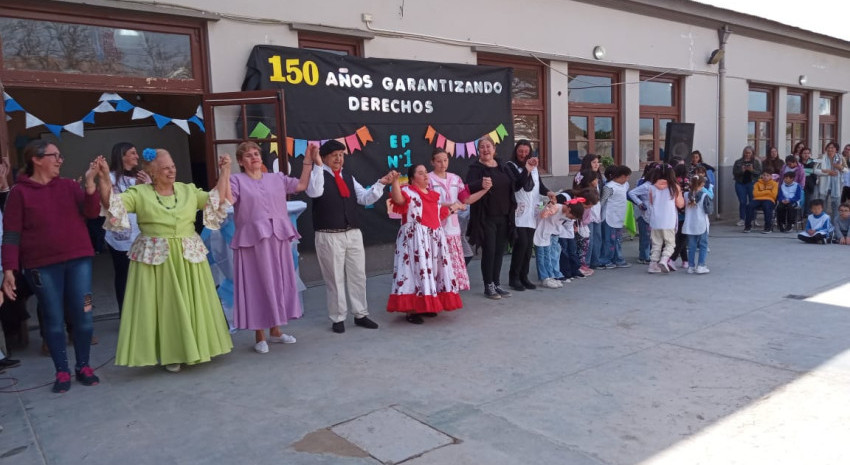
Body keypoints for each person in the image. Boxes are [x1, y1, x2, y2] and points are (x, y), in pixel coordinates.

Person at [99, 148, 233, 372]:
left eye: (173, 167)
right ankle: (171, 353)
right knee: (165, 306)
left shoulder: (187, 190)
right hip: (156, 258)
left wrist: (225, 171)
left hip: (187, 256)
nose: (171, 171)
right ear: (151, 171)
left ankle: (197, 347)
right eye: (165, 168)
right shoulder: (139, 193)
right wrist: (104, 178)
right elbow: (112, 205)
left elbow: (215, 200)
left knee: (193, 302)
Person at [2, 141, 102, 392]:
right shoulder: (19, 193)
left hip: (79, 261)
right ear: (36, 159)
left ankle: (83, 366)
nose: (60, 160)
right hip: (42, 267)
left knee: (85, 317)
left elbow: (92, 213)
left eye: (60, 155)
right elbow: (11, 234)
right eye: (54, 156)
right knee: (54, 321)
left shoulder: (69, 186)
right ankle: (62, 372)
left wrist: (90, 184)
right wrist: (9, 270)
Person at [228, 141, 322, 354]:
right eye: (248, 155)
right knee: (257, 284)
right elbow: (226, 199)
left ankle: (276, 331)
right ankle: (259, 334)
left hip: (277, 239)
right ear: (241, 162)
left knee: (277, 281)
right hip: (252, 242)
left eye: (256, 154)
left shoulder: (276, 178)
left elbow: (300, 186)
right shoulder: (236, 180)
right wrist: (224, 172)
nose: (254, 157)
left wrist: (308, 159)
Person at [306, 140, 392, 333]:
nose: (339, 158)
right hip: (329, 235)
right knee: (334, 278)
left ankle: (361, 314)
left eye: (341, 155)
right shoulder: (317, 176)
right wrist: (318, 166)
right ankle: (338, 317)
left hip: (352, 233)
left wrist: (381, 183)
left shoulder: (348, 177)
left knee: (358, 276)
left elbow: (364, 198)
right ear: (325, 157)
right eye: (334, 155)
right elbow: (315, 191)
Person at [387, 164, 461, 323]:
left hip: (433, 240)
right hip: (415, 241)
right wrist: (394, 182)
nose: (426, 176)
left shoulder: (434, 195)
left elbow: (438, 215)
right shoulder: (408, 191)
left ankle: (425, 305)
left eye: (426, 173)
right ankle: (412, 310)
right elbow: (398, 199)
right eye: (421, 173)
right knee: (413, 272)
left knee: (431, 272)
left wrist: (454, 207)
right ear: (413, 179)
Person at [466, 135, 516, 300]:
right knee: (489, 251)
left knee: (499, 252)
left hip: (504, 216)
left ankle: (496, 282)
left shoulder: (502, 166)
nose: (486, 150)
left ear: (494, 149)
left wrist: (529, 170)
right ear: (478, 150)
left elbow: (515, 184)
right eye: (482, 147)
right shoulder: (475, 168)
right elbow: (467, 189)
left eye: (488, 146)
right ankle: (488, 285)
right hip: (485, 217)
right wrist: (480, 183)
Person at [428, 149, 486, 292]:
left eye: (445, 160)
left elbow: (466, 199)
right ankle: (437, 291)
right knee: (438, 262)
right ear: (432, 162)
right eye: (439, 161)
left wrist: (484, 190)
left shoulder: (455, 179)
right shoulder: (428, 179)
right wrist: (451, 205)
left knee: (452, 262)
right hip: (436, 228)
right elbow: (427, 203)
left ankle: (450, 291)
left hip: (453, 229)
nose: (443, 164)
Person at [105, 142, 151, 314]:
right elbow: (113, 203)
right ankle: (125, 314)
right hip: (121, 235)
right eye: (132, 153)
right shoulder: (109, 178)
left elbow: (152, 202)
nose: (137, 156)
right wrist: (137, 187)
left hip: (142, 232)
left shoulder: (141, 176)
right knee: (124, 274)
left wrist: (148, 186)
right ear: (122, 155)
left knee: (144, 274)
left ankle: (145, 312)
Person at [505, 140, 555, 291]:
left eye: (526, 151)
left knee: (528, 248)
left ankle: (523, 276)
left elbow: (539, 185)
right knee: (521, 245)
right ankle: (514, 278)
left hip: (533, 211)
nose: (523, 154)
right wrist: (526, 169)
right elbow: (518, 185)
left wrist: (548, 192)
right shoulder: (510, 166)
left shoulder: (534, 168)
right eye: (520, 151)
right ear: (516, 151)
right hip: (519, 212)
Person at [646, 163, 684, 273]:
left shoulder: (652, 187)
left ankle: (652, 264)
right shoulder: (674, 187)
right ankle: (664, 259)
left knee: (656, 243)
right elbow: (680, 204)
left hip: (655, 219)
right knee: (670, 242)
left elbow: (651, 202)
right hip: (669, 219)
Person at [574, 155, 605, 268]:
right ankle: (585, 263)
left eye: (598, 162)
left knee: (597, 237)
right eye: (594, 162)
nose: (597, 164)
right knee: (588, 238)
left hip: (597, 210)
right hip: (587, 211)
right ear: (588, 163)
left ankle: (595, 261)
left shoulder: (599, 177)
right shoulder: (582, 176)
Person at [598, 165, 632, 269]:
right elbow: (602, 202)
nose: (627, 179)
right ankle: (605, 260)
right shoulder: (609, 187)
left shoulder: (625, 185)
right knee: (608, 240)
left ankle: (618, 259)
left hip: (619, 216)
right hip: (609, 217)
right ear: (621, 176)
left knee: (617, 239)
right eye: (626, 177)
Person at [533, 200, 567, 288]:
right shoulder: (556, 207)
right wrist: (548, 208)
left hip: (548, 233)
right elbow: (543, 215)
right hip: (541, 231)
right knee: (541, 256)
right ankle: (544, 277)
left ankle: (550, 276)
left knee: (547, 256)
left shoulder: (562, 211)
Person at [682, 175, 712, 274]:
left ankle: (691, 266)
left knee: (691, 246)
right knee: (703, 245)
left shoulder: (686, 195)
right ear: (702, 184)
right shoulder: (704, 195)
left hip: (690, 223)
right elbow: (709, 211)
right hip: (701, 223)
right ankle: (701, 265)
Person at [628, 163, 656, 265]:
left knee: (652, 236)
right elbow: (631, 193)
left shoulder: (655, 186)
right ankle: (644, 256)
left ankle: (650, 254)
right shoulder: (645, 185)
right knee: (645, 236)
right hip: (644, 213)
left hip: (652, 213)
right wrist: (640, 203)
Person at [732, 146, 762, 227]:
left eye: (749, 153)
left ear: (752, 153)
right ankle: (742, 219)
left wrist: (752, 170)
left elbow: (759, 172)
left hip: (752, 183)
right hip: (740, 183)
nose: (747, 154)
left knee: (753, 201)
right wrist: (742, 170)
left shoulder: (755, 162)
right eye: (746, 153)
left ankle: (753, 219)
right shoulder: (738, 162)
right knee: (742, 202)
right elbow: (734, 173)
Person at [814, 141, 844, 218]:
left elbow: (846, 170)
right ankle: (822, 224)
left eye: (832, 147)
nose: (830, 149)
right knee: (822, 206)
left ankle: (835, 225)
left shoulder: (840, 158)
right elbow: (815, 170)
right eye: (828, 147)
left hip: (836, 186)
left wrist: (840, 168)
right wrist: (827, 172)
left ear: (836, 149)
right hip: (824, 186)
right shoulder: (821, 157)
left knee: (836, 208)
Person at [799, 147, 817, 214]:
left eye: (808, 153)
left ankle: (808, 214)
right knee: (802, 200)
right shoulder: (798, 163)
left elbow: (814, 171)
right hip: (801, 184)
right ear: (801, 154)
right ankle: (801, 215)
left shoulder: (813, 162)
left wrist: (803, 171)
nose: (806, 155)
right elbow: (798, 172)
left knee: (809, 200)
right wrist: (808, 172)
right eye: (804, 153)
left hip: (810, 184)